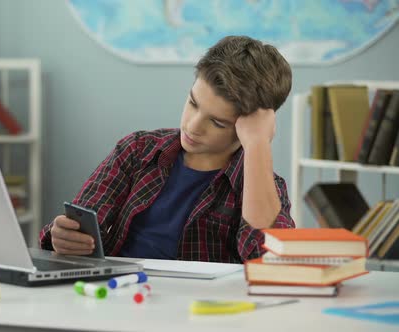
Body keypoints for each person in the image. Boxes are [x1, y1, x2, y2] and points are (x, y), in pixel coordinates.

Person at [39, 36, 295, 263]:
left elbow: (272, 260)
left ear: (249, 127)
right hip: (122, 295)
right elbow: (80, 223)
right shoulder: (138, 151)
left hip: (202, 310)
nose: (193, 126)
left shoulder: (266, 188)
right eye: (193, 103)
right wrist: (62, 236)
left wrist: (258, 144)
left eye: (217, 122)